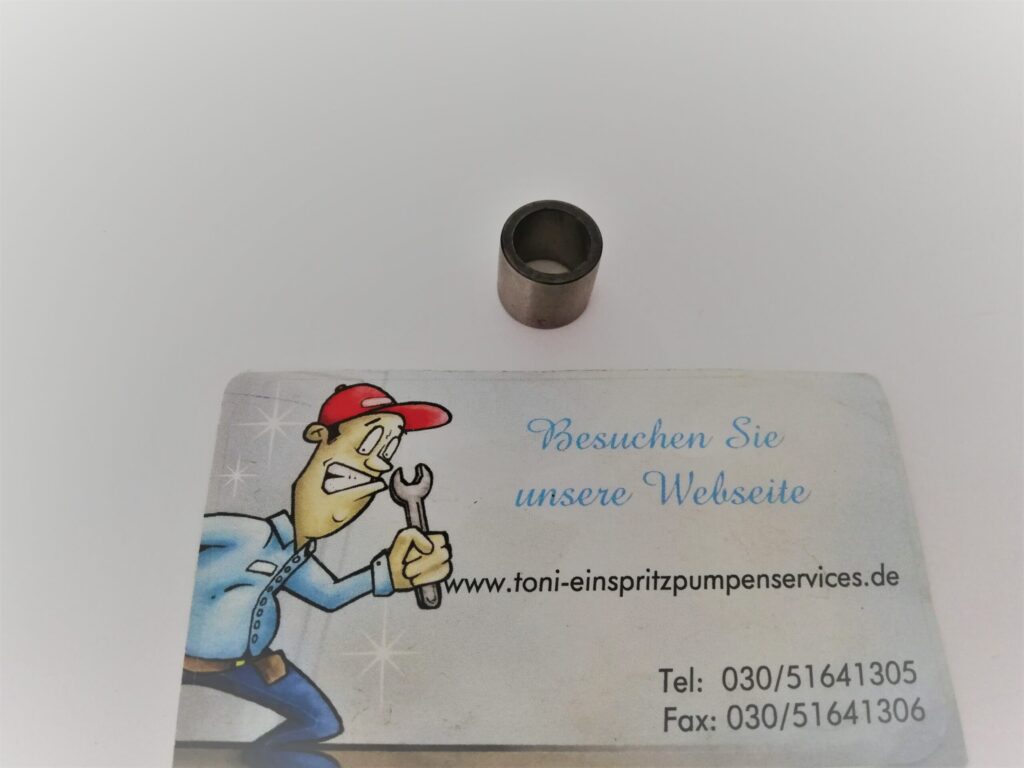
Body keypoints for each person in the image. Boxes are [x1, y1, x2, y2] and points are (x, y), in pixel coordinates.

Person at [182, 383, 453, 765]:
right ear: (319, 437)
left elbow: (329, 593)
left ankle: (264, 757)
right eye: (370, 440)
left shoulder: (295, 557)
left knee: (323, 721)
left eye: (389, 448)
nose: (378, 463)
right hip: (177, 660)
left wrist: (391, 575)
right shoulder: (247, 533)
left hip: (249, 666)